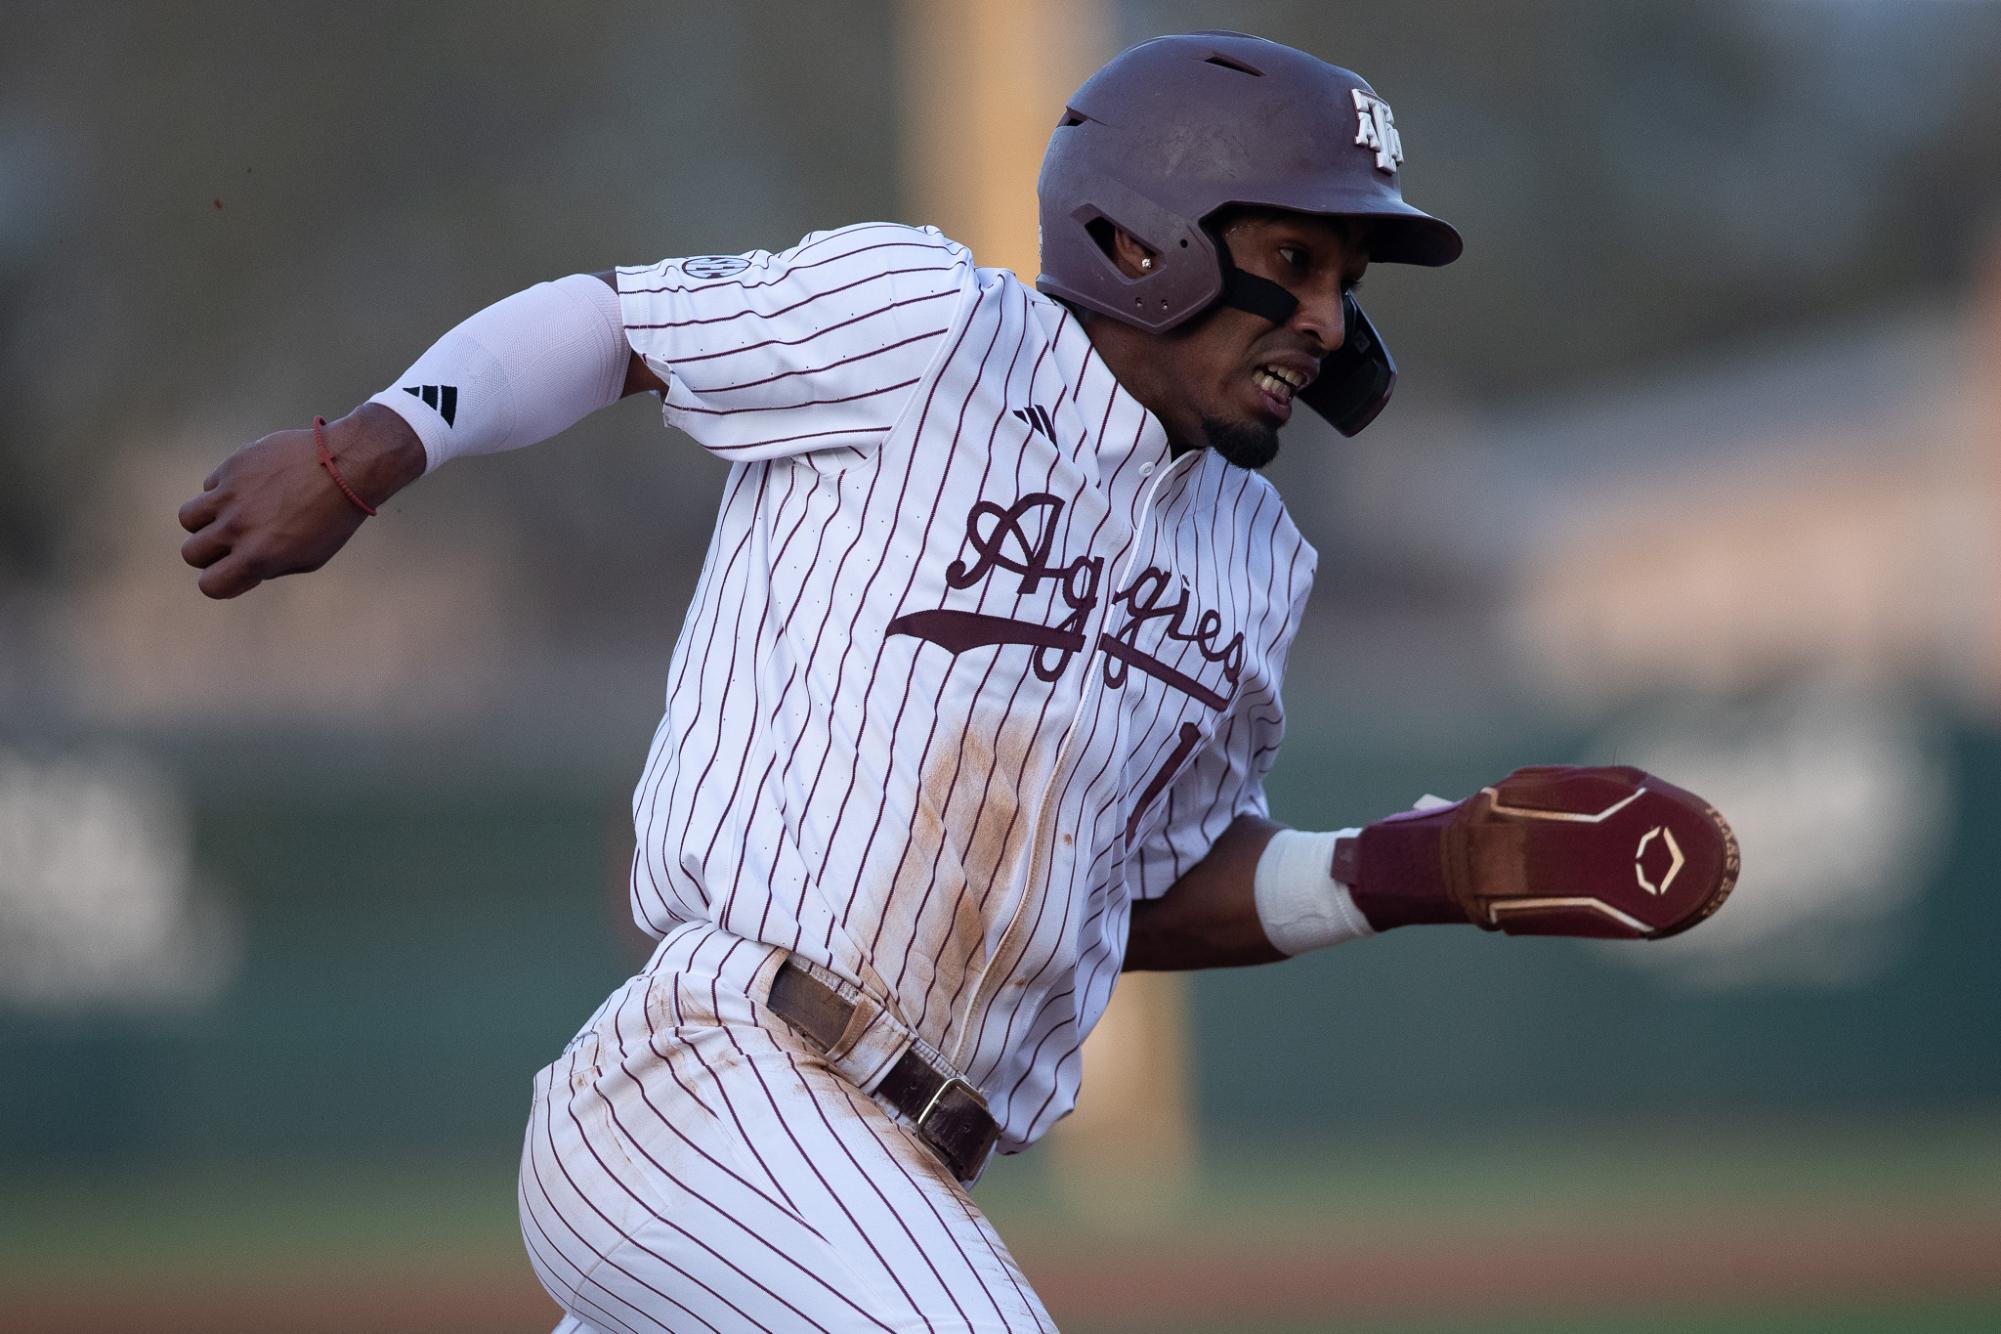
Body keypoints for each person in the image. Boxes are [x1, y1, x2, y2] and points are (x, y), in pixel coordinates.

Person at [177, 32, 1736, 1334]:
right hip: (714, 1080)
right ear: (1143, 235)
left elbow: (1147, 889)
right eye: (1290, 261)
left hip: (895, 1171)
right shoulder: (937, 330)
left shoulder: (1255, 557)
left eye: (1343, 278)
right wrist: (369, 446)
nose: (1326, 320)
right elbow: (614, 324)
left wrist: (1418, 868)